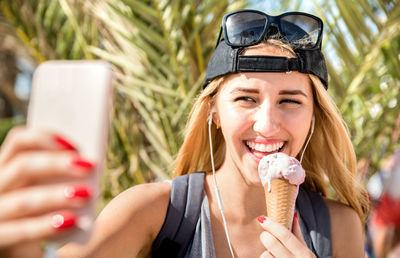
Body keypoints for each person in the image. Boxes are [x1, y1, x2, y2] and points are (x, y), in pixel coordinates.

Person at [0, 9, 369, 258]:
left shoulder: (338, 227)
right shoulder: (154, 213)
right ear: (214, 112)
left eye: (290, 101)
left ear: (314, 118)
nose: (267, 124)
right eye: (245, 98)